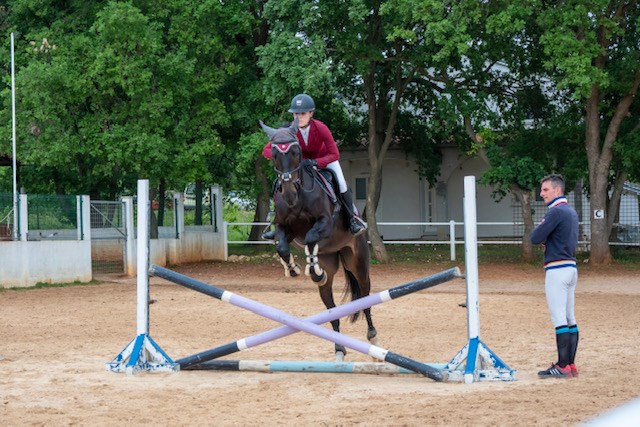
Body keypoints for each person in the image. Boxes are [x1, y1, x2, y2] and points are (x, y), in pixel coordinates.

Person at [261, 93, 367, 239]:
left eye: (303, 113)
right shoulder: (288, 132)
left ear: (311, 113)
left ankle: (352, 220)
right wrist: (280, 152)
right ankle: (276, 222)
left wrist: (316, 162)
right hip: (301, 165)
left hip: (325, 160)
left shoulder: (321, 128)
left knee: (341, 183)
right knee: (280, 183)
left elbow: (334, 154)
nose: (299, 117)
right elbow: (266, 150)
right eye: (295, 114)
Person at [530, 174, 580, 379]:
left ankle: (561, 366)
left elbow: (535, 237)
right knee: (570, 317)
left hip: (557, 269)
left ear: (557, 190)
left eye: (545, 190)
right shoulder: (571, 211)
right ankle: (570, 364)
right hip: (571, 267)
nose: (541, 194)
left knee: (559, 318)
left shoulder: (555, 212)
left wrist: (544, 240)